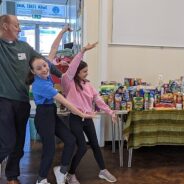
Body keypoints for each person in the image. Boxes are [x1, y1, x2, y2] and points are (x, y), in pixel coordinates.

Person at [0, 14, 61, 184]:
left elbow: (45, 63)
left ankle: (12, 176)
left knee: (19, 144)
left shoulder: (24, 47)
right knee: (7, 142)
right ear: (5, 26)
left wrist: (63, 77)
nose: (19, 28)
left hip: (22, 101)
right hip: (3, 100)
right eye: (16, 25)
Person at [25, 54, 94, 184]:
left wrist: (62, 32)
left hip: (51, 112)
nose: (44, 69)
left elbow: (53, 51)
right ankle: (41, 179)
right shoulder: (40, 85)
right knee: (49, 149)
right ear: (33, 72)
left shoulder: (46, 72)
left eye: (45, 66)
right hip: (44, 116)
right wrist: (82, 114)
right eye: (39, 68)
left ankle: (61, 170)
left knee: (70, 139)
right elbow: (64, 101)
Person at [60, 42, 117, 183]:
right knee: (82, 147)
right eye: (84, 71)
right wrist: (83, 50)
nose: (87, 73)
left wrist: (110, 112)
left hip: (88, 118)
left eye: (87, 70)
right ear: (77, 72)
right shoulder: (68, 82)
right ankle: (70, 174)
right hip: (75, 118)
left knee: (95, 145)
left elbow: (98, 101)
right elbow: (72, 68)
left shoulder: (88, 85)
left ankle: (103, 170)